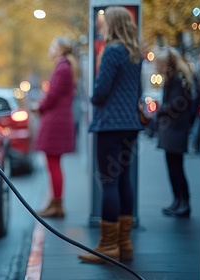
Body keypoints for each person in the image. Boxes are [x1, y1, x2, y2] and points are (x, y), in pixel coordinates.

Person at [78, 6, 143, 263]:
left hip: (110, 126)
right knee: (124, 180)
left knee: (109, 182)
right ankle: (124, 244)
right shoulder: (135, 53)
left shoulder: (112, 51)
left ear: (112, 24)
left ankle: (107, 246)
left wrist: (94, 96)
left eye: (104, 21)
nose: (100, 25)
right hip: (130, 126)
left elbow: (101, 91)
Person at [33, 36, 78, 218]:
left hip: (55, 121)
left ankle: (57, 205)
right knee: (54, 163)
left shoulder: (62, 68)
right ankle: (55, 202)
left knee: (53, 163)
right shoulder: (66, 67)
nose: (50, 49)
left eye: (53, 46)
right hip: (59, 119)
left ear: (60, 49)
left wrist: (39, 107)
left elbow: (52, 95)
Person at [154, 46, 194, 218]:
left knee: (176, 168)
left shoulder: (177, 80)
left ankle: (183, 202)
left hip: (176, 129)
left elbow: (175, 105)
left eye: (159, 64)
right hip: (173, 129)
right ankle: (178, 201)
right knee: (173, 167)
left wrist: (160, 110)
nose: (157, 67)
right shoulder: (174, 78)